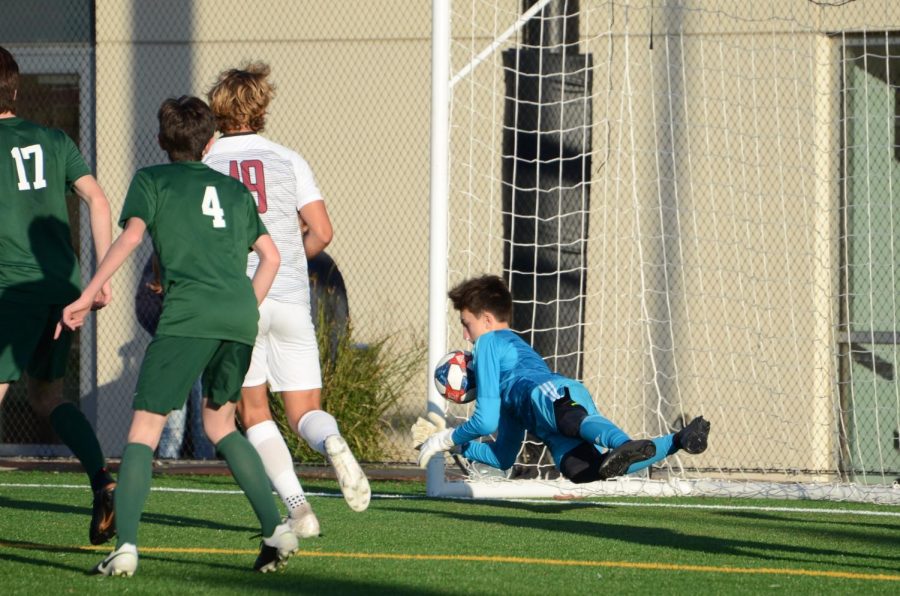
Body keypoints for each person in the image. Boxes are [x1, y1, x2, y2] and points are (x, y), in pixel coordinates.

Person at [58, 95, 297, 576]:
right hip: (238, 315)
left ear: (162, 140)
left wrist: (88, 293)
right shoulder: (233, 191)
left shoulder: (151, 180)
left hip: (188, 317)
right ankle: (276, 529)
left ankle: (126, 546)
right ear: (211, 142)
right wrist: (241, 309)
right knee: (220, 425)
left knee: (143, 433)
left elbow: (128, 239)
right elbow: (271, 257)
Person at [203, 62, 370, 538]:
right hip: (290, 296)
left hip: (238, 300)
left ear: (218, 109)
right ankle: (331, 439)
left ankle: (299, 509)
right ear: (262, 106)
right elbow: (322, 232)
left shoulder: (207, 163)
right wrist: (294, 259)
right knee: (303, 413)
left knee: (253, 412)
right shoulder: (288, 159)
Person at [415, 274, 710, 482]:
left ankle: (623, 442)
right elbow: (503, 456)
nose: (465, 335)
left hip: (551, 395)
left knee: (572, 421)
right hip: (551, 415)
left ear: (487, 320)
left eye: (467, 324)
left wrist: (445, 437)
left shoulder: (489, 343)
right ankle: (679, 439)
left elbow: (485, 422)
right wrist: (457, 445)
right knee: (583, 470)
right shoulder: (507, 385)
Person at [0, 45, 117, 546]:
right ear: (17, 88)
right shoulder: (53, 138)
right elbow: (97, 198)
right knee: (49, 397)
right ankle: (101, 479)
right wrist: (101, 278)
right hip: (64, 288)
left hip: (13, 288)